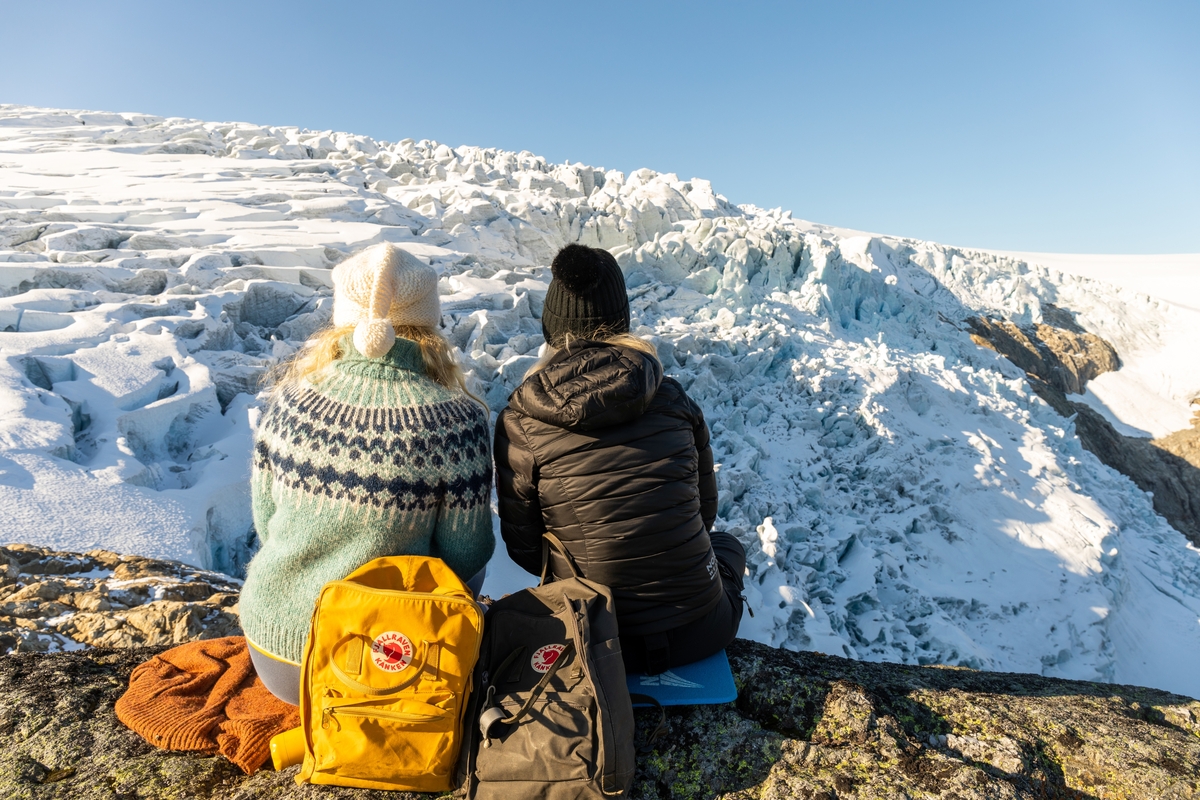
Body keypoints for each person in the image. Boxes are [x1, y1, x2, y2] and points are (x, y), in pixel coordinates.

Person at [240, 242, 495, 704]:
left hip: (274, 654)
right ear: (429, 325)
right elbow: (466, 556)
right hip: (381, 660)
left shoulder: (293, 401)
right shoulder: (455, 420)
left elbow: (265, 522)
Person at [494, 243, 746, 674]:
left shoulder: (522, 419)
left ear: (551, 327)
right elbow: (704, 515)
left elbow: (525, 549)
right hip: (704, 627)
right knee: (728, 546)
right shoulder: (672, 398)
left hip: (594, 636)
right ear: (621, 321)